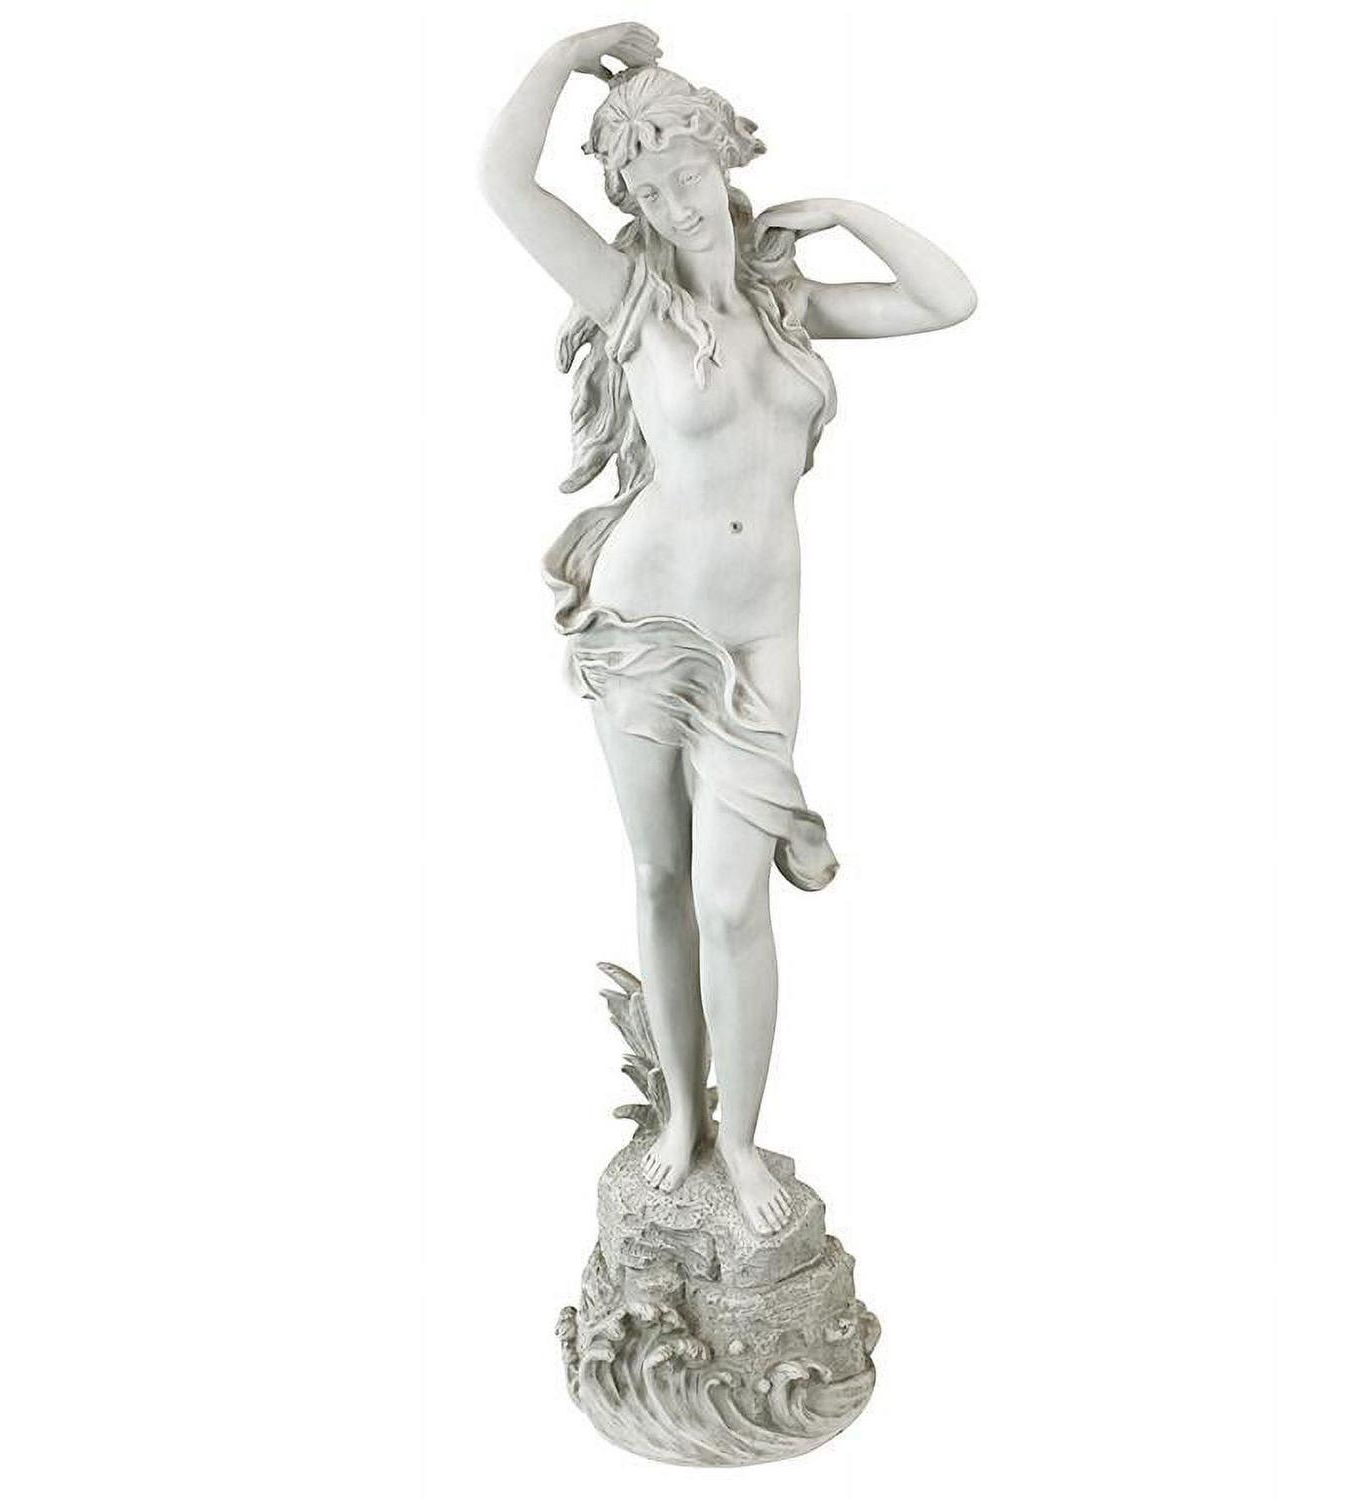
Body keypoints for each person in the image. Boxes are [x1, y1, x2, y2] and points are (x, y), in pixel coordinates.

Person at [481, 23, 976, 1234]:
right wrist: (572, 49)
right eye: (647, 191)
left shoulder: (787, 305)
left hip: (761, 638)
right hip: (644, 626)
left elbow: (947, 299)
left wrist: (840, 209)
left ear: (724, 159)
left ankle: (742, 1143)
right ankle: (683, 1125)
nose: (676, 203)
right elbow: (503, 181)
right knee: (660, 876)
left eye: (688, 172)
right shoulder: (631, 303)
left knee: (734, 905)